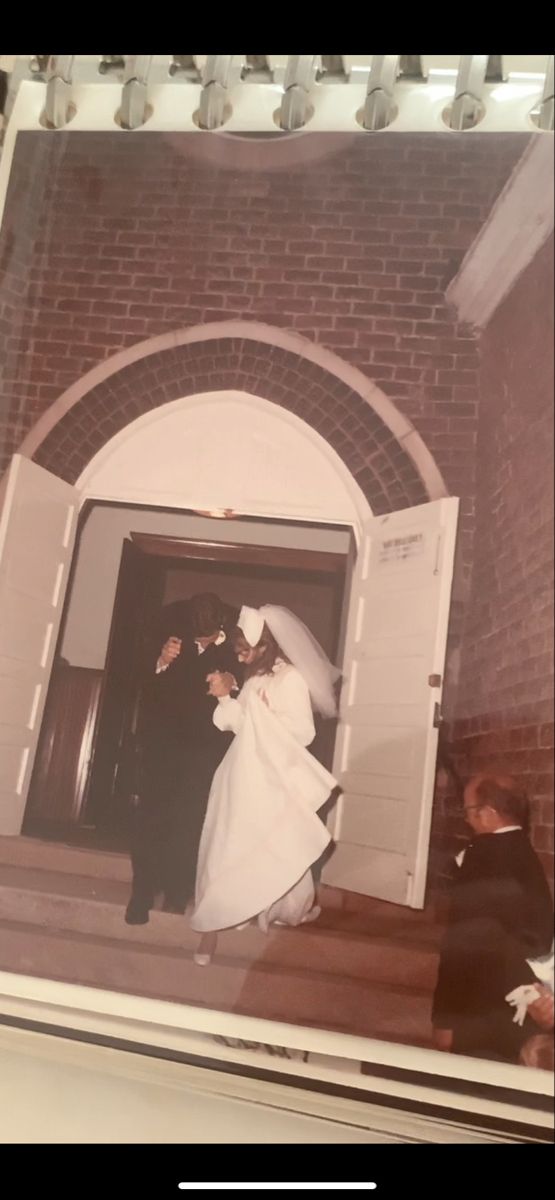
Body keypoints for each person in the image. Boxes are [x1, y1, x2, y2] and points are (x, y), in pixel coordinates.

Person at [190, 604, 341, 965]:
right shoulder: (255, 679)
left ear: (267, 646)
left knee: (272, 839)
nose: (241, 656)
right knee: (226, 838)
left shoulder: (291, 679)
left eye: (246, 649)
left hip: (273, 774)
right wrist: (226, 695)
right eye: (239, 650)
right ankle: (212, 921)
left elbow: (302, 731)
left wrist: (258, 713)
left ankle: (274, 905)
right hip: (240, 771)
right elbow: (236, 724)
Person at [125, 592, 240, 925]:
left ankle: (177, 893)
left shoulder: (235, 648)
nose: (196, 640)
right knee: (149, 818)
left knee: (189, 822)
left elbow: (252, 689)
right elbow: (143, 685)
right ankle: (141, 894)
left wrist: (233, 683)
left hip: (205, 753)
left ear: (219, 626)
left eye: (203, 635)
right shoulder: (172, 638)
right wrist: (161, 662)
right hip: (163, 747)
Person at [432, 773, 553, 1063]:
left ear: (487, 814)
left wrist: (446, 1019)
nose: (467, 820)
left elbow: (461, 944)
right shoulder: (526, 856)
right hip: (515, 1005)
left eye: (469, 811)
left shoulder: (481, 858)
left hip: (480, 1010)